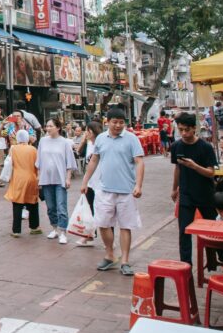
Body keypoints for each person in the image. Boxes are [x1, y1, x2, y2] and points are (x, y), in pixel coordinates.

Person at [81, 108, 145, 277]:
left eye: (121, 122)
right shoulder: (101, 139)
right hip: (104, 190)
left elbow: (139, 162)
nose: (118, 125)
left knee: (125, 225)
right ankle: (109, 254)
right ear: (107, 122)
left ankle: (125, 260)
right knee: (102, 223)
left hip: (126, 190)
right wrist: (85, 181)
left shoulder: (132, 139)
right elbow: (94, 160)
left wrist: (138, 185)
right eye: (114, 122)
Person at [170, 112, 218, 266]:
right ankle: (186, 265)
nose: (183, 133)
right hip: (186, 194)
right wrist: (174, 188)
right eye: (180, 130)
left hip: (205, 193)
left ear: (194, 129)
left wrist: (194, 166)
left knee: (213, 230)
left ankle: (217, 258)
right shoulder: (176, 146)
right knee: (184, 231)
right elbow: (177, 168)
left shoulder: (205, 147)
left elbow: (211, 172)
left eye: (186, 130)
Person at [35, 119, 78, 245]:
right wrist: (38, 176)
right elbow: (39, 160)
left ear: (58, 128)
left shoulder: (64, 142)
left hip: (60, 179)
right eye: (47, 126)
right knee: (50, 207)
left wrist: (68, 178)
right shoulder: (43, 141)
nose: (48, 128)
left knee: (61, 206)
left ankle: (63, 231)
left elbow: (69, 162)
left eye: (51, 126)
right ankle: (54, 228)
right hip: (46, 178)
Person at [4, 130, 41, 238]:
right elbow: (38, 165)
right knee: (33, 202)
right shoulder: (33, 149)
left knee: (17, 203)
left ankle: (16, 230)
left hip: (17, 178)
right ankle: (34, 227)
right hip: (31, 178)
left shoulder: (13, 149)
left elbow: (9, 163)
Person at [75, 121, 104, 247]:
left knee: (104, 212)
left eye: (87, 131)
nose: (85, 133)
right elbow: (78, 153)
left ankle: (109, 239)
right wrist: (82, 141)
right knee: (89, 210)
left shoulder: (101, 144)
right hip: (90, 183)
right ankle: (89, 235)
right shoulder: (88, 144)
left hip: (101, 183)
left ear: (93, 131)